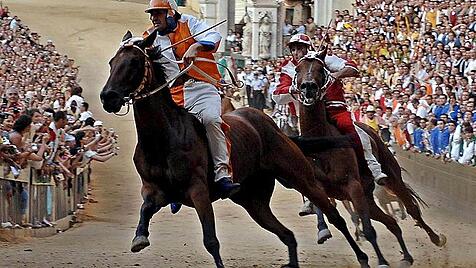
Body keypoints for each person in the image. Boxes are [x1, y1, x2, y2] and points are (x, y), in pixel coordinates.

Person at [142, 0, 240, 210]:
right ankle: (171, 185)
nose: (154, 18)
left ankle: (222, 174)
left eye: (158, 13)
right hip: (173, 94)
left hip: (203, 87)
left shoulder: (190, 23)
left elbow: (213, 37)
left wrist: (196, 46)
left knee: (212, 120)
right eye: (152, 14)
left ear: (171, 13)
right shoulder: (150, 36)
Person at [272, 33, 332, 244]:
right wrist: (295, 88)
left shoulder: (319, 61)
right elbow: (277, 95)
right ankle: (305, 194)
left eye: (302, 48)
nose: (299, 52)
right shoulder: (288, 69)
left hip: (324, 113)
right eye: (295, 49)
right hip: (297, 118)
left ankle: (371, 167)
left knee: (348, 130)